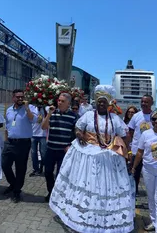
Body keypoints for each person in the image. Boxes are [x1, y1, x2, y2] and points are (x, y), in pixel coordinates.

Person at [49, 85, 135, 233]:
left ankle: (103, 219)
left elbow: (125, 135)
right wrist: (79, 134)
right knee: (87, 185)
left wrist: (125, 152)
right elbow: (77, 128)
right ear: (96, 102)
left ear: (109, 104)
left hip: (109, 157)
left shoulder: (115, 118)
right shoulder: (88, 115)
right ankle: (80, 217)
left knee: (104, 188)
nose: (101, 104)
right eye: (99, 101)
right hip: (88, 156)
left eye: (104, 102)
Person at [2, 89, 37, 203]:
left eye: (22, 97)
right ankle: (13, 183)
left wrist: (27, 108)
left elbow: (34, 119)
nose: (20, 99)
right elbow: (7, 125)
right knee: (5, 165)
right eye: (18, 97)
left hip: (23, 143)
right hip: (10, 142)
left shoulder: (30, 108)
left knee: (20, 169)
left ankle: (17, 191)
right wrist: (6, 140)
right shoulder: (8, 110)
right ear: (13, 98)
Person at [41, 93, 77, 202]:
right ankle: (51, 192)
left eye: (62, 101)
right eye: (59, 100)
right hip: (51, 148)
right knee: (47, 172)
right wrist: (49, 114)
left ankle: (58, 195)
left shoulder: (73, 116)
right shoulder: (52, 113)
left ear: (68, 103)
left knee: (60, 175)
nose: (59, 102)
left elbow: (76, 133)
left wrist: (70, 145)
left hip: (64, 151)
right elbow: (43, 127)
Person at [128, 95, 153, 195]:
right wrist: (129, 148)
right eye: (142, 101)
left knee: (149, 173)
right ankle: (134, 192)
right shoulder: (136, 116)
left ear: (151, 103)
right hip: (136, 150)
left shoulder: (154, 116)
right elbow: (130, 132)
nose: (143, 104)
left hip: (150, 151)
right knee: (135, 173)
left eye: (146, 102)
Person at [29, 106, 47, 177]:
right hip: (33, 133)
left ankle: (42, 168)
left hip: (43, 134)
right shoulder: (31, 108)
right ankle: (35, 169)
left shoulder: (46, 109)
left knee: (43, 153)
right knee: (33, 153)